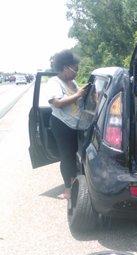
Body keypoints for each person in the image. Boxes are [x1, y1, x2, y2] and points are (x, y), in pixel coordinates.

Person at [47, 49, 88, 199]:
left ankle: (74, 180)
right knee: (67, 156)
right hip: (61, 125)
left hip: (74, 125)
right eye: (75, 69)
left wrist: (85, 94)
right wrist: (77, 94)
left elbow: (78, 101)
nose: (77, 72)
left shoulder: (73, 82)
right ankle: (68, 189)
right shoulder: (54, 82)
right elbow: (57, 103)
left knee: (74, 154)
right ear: (65, 68)